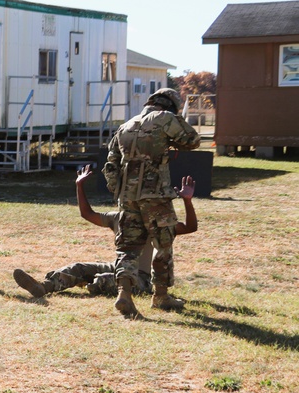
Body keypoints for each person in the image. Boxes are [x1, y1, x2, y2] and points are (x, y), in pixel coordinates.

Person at [14, 165, 196, 299]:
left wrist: (187, 201)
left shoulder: (157, 221)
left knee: (105, 280)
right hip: (117, 267)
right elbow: (87, 214)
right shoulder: (119, 217)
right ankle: (43, 287)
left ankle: (97, 286)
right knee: (78, 268)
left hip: (143, 278)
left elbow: (190, 227)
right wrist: (79, 186)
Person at [101, 87, 201, 318]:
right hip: (156, 195)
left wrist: (118, 191)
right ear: (171, 106)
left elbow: (111, 163)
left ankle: (124, 294)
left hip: (127, 197)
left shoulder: (126, 125)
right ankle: (161, 296)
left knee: (127, 248)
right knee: (163, 244)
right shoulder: (166, 118)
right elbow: (192, 140)